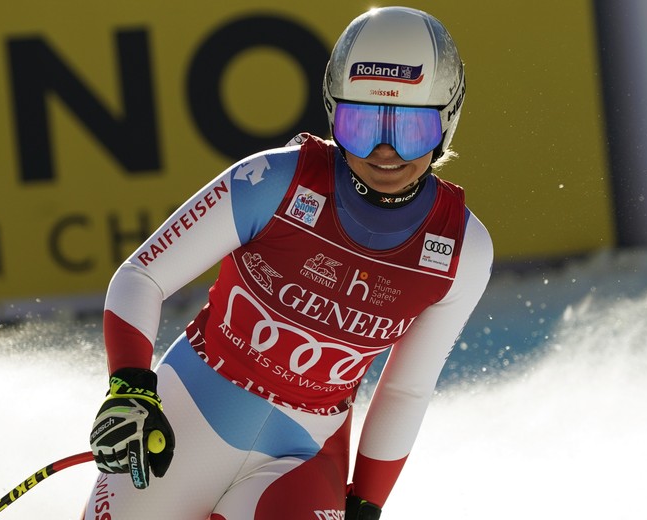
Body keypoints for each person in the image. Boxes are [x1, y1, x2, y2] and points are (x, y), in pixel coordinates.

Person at [84, 6, 492, 519]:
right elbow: (142, 276)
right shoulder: (271, 180)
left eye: (411, 130)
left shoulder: (462, 250)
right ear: (332, 111)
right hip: (181, 420)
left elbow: (407, 389)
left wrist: (368, 500)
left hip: (301, 456)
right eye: (361, 124)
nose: (385, 152)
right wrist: (131, 386)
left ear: (447, 119)